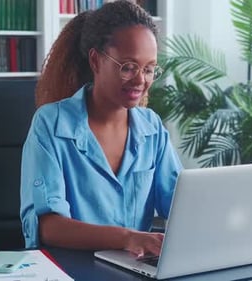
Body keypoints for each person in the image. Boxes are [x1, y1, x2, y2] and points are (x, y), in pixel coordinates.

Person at [20, 0, 182, 258]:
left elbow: (179, 207)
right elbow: (49, 226)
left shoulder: (152, 127)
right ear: (96, 61)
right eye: (128, 67)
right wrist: (127, 238)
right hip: (72, 267)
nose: (141, 80)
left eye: (149, 69)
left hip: (132, 268)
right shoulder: (51, 124)